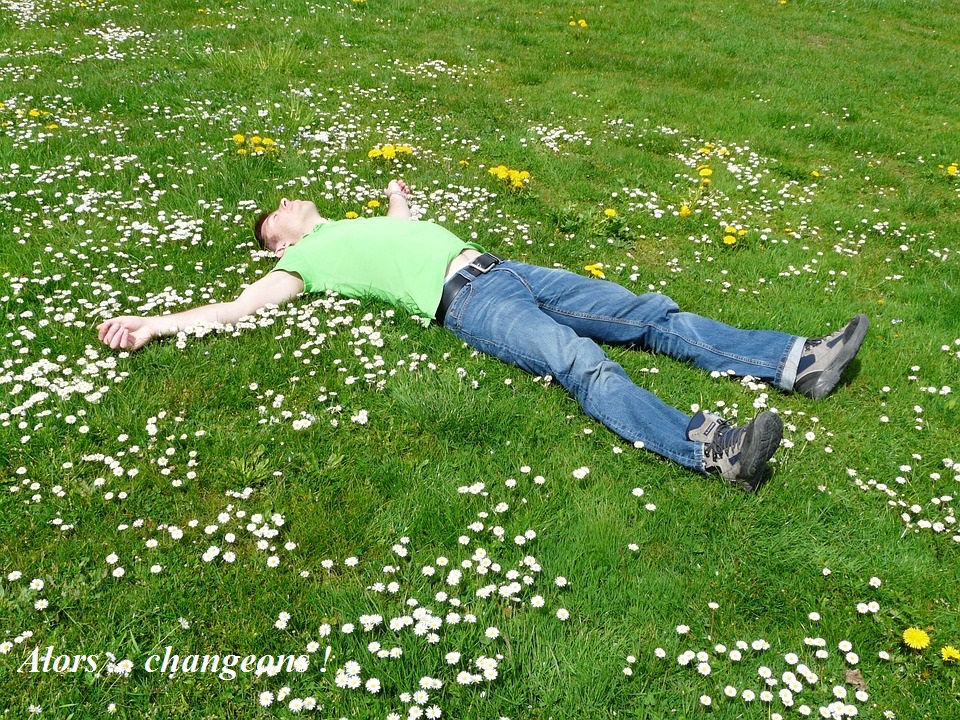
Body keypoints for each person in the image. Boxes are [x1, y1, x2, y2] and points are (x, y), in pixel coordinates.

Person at [97, 179, 869, 491]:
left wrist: (398, 196)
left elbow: (401, 226)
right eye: (281, 215)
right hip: (465, 302)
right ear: (281, 245)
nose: (293, 202)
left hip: (507, 269)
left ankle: (796, 361)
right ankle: (713, 448)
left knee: (646, 311)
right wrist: (154, 323)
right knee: (580, 362)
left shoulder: (352, 224)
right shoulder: (304, 264)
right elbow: (235, 309)